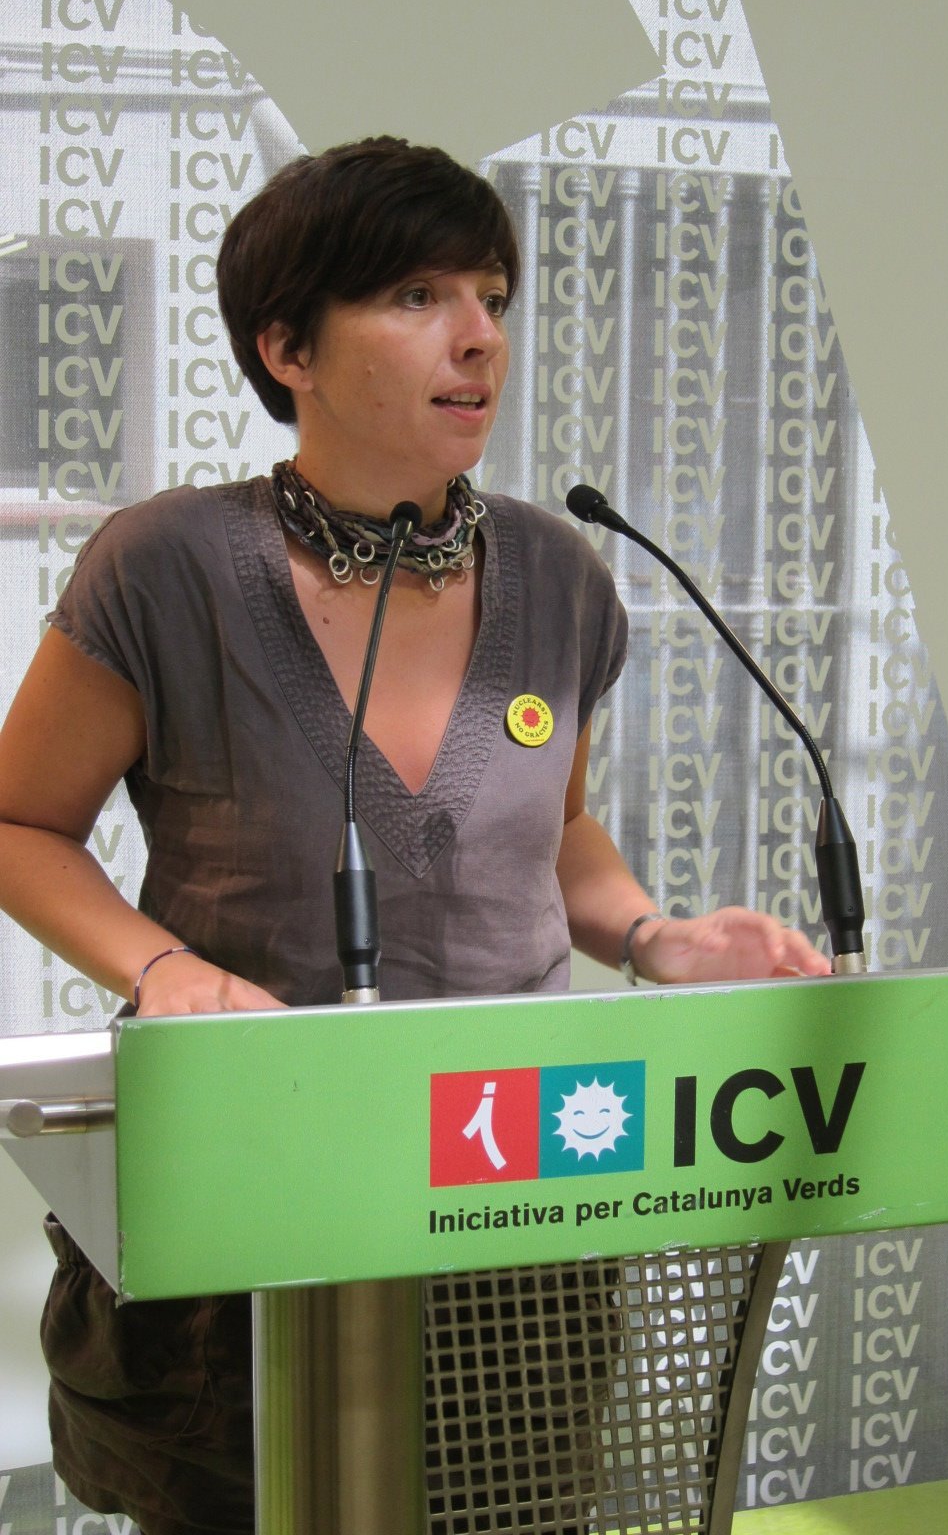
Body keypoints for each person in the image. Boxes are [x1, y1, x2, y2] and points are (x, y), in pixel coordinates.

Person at [0, 137, 828, 1535]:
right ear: (289, 349)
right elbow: (20, 821)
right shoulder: (166, 567)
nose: (478, 336)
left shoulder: (560, 574)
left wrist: (654, 933)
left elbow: (553, 833)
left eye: (492, 297)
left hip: (519, 1220)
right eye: (416, 296)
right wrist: (161, 967)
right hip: (254, 1211)